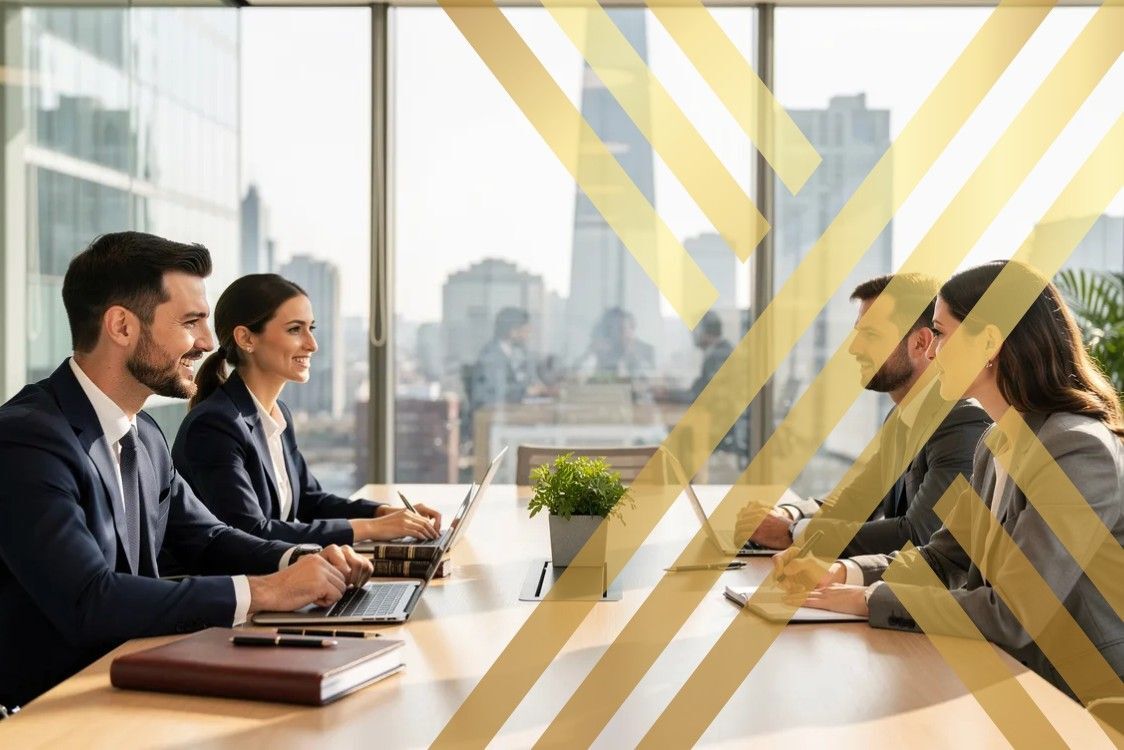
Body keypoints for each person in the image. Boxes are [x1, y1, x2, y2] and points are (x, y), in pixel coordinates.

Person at [0, 232, 373, 709]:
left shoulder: (147, 436)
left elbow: (209, 538)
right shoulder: (28, 439)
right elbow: (90, 601)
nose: (208, 342)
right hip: (50, 712)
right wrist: (264, 591)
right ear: (121, 326)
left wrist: (300, 559)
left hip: (131, 683)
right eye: (191, 322)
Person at [781, 260, 1124, 697]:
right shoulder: (994, 444)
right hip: (1007, 676)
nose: (932, 351)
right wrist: (839, 573)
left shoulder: (1076, 448)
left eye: (940, 333)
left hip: (1080, 698)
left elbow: (1014, 613)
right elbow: (941, 559)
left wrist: (868, 600)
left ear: (989, 344)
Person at [172, 274, 441, 549]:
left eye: (311, 328)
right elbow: (251, 533)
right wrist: (370, 528)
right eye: (295, 329)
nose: (312, 344)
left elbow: (311, 500)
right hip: (230, 586)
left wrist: (384, 513)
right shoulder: (215, 426)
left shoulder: (277, 414)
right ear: (246, 338)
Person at [738, 273, 990, 555]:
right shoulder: (901, 420)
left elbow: (917, 534)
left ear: (920, 343)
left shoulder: (960, 424)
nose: (854, 348)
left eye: (870, 335)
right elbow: (854, 503)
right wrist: (787, 515)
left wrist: (792, 533)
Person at [469, 306, 544, 411]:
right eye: (525, 331)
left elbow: (528, 379)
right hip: (490, 415)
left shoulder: (518, 352)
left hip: (510, 412)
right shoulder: (491, 356)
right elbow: (499, 392)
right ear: (513, 331)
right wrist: (526, 391)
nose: (528, 336)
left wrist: (534, 385)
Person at [577, 307, 656, 382]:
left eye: (622, 328)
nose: (617, 334)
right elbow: (579, 375)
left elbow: (648, 381)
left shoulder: (646, 351)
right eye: (613, 329)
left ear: (632, 327)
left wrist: (632, 355)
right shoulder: (605, 351)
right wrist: (593, 353)